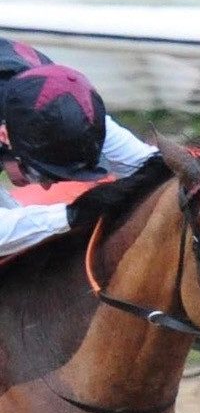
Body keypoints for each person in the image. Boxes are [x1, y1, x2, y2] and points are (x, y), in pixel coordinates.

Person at [0, 39, 157, 260]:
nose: (45, 187)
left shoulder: (66, 108)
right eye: (40, 173)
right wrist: (75, 213)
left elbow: (152, 166)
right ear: (4, 135)